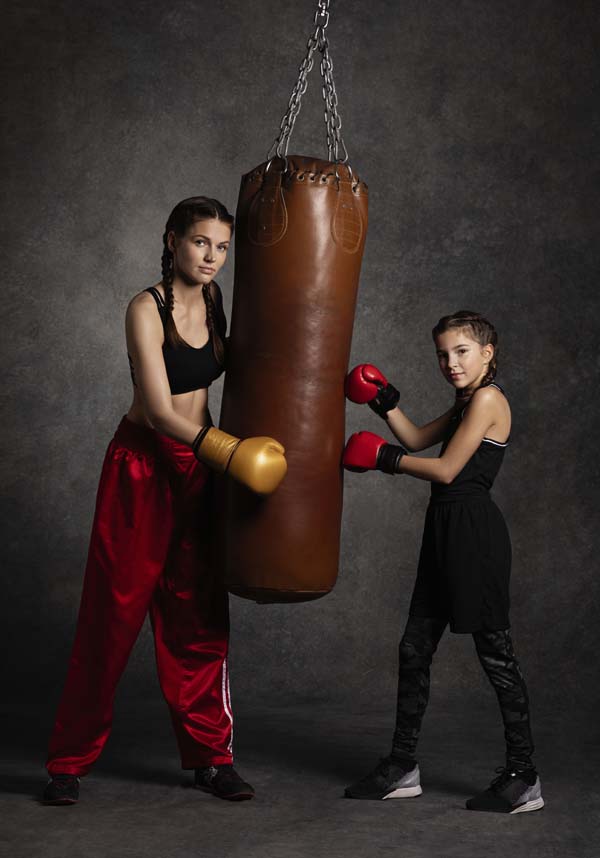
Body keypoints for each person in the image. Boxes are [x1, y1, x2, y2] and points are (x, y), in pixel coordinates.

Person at [43, 196, 286, 806]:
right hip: (143, 468)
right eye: (201, 242)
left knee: (199, 618)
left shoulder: (214, 301)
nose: (212, 257)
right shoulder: (145, 308)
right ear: (173, 239)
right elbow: (157, 410)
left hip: (200, 473)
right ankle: (67, 764)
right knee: (111, 616)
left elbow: (243, 369)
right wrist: (230, 452)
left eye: (223, 247)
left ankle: (211, 757)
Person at [341, 310, 543, 814]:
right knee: (414, 649)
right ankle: (403, 766)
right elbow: (415, 440)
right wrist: (384, 401)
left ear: (487, 353)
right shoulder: (466, 402)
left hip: (474, 538)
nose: (450, 363)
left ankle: (524, 776)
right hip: (444, 534)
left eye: (461, 352)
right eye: (442, 354)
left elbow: (449, 470)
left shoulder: (490, 399)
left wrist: (383, 460)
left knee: (496, 656)